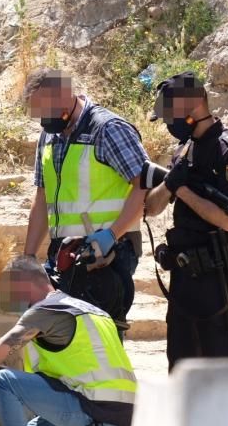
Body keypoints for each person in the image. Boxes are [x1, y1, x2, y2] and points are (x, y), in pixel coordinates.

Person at [0, 256, 136, 426]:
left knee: (3, 380)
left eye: (7, 291)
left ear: (23, 283)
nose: (6, 302)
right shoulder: (90, 310)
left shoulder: (45, 309)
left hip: (91, 411)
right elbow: (77, 367)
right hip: (120, 420)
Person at [143, 72, 228, 371]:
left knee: (220, 368)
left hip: (216, 277)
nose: (169, 124)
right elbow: (152, 207)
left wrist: (181, 189)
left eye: (170, 115)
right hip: (183, 278)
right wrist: (170, 184)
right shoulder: (184, 149)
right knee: (180, 368)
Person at [22, 68, 150, 329]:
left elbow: (144, 185)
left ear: (65, 95)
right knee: (67, 339)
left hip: (107, 252)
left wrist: (111, 235)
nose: (43, 119)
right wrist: (28, 257)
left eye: (46, 110)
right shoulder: (49, 136)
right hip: (64, 252)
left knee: (100, 341)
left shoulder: (107, 129)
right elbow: (43, 196)